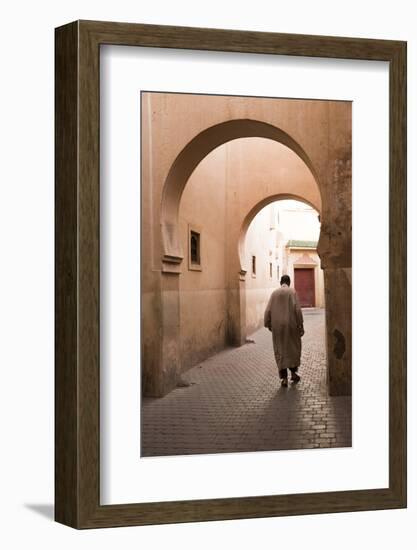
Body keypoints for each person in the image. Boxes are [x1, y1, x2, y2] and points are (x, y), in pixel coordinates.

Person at [264, 275, 304, 388]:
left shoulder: (274, 293)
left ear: (281, 282)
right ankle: (293, 374)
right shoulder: (292, 292)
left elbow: (267, 311)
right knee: (292, 350)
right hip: (291, 326)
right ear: (289, 282)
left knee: (280, 351)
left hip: (277, 328)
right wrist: (300, 325)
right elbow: (297, 310)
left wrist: (268, 324)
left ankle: (284, 379)